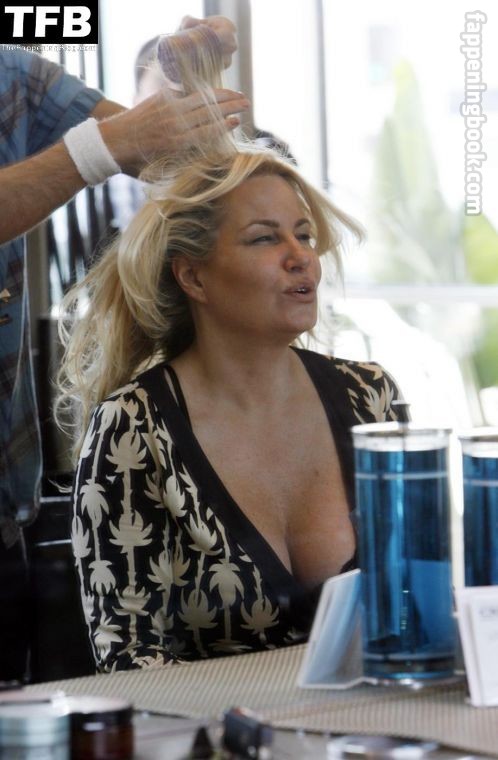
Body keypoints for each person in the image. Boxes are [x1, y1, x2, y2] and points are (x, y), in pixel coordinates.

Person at [58, 137, 408, 672]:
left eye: (304, 234)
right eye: (264, 238)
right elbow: (129, 656)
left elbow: (412, 596)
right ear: (193, 276)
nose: (301, 257)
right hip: (207, 725)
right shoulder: (133, 427)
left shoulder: (371, 397)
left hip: (372, 719)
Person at [0, 16, 247, 683]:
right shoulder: (130, 425)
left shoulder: (14, 76)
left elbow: (165, 161)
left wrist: (184, 85)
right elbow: (115, 143)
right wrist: (103, 146)